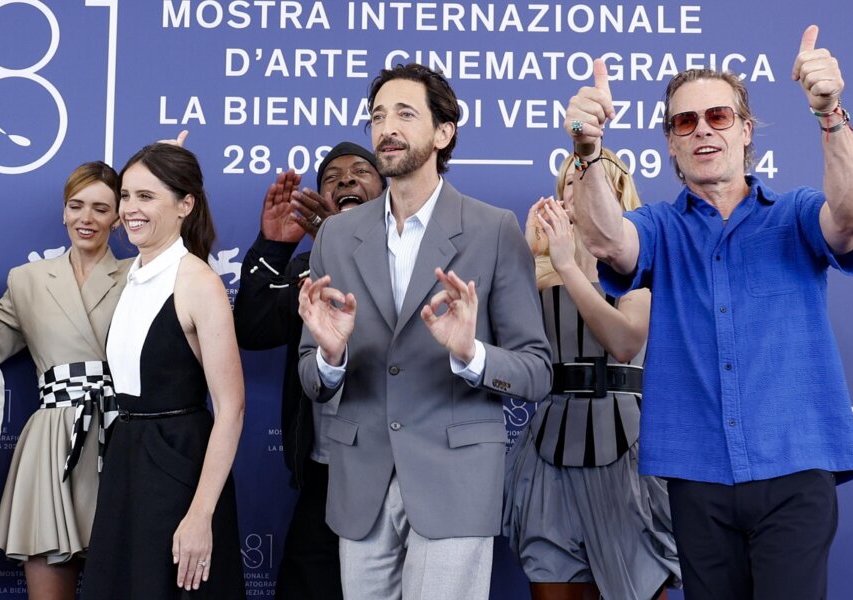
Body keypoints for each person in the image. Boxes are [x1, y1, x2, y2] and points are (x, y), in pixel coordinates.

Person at [565, 25, 853, 600]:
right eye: (685, 122)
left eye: (718, 116)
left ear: (745, 130)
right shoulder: (658, 225)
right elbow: (609, 243)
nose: (702, 129)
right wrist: (588, 153)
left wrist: (830, 113)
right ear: (671, 143)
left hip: (795, 467)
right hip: (697, 473)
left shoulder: (798, 212)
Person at [296, 63, 552, 600]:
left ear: (443, 132)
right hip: (360, 484)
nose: (386, 127)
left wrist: (471, 353)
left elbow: (536, 371)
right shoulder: (336, 238)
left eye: (404, 114)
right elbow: (312, 380)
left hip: (454, 482)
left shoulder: (494, 229)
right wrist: (330, 355)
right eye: (378, 116)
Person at [504, 151, 679, 600]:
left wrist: (568, 267)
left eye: (589, 183)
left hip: (626, 449)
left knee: (636, 587)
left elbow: (625, 343)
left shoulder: (640, 266)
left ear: (614, 196)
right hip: (549, 450)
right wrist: (528, 258)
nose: (576, 193)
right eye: (569, 183)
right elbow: (501, 349)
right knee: (549, 580)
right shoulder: (539, 273)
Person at [81, 143, 246, 598]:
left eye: (147, 197)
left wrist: (200, 514)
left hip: (178, 470)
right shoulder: (132, 274)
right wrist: (160, 156)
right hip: (127, 462)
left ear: (185, 204)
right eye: (126, 195)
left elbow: (231, 408)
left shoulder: (199, 283)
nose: (130, 209)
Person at [234, 141, 386, 599]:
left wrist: (339, 245)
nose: (345, 180)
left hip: (394, 468)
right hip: (325, 469)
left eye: (361, 170)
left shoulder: (412, 257)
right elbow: (253, 327)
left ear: (388, 187)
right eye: (332, 177)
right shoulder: (306, 266)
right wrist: (275, 247)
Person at [0, 161, 131, 600]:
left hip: (120, 435)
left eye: (100, 208)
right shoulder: (26, 280)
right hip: (53, 442)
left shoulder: (141, 274)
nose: (86, 218)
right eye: (76, 206)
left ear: (118, 216)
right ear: (63, 212)